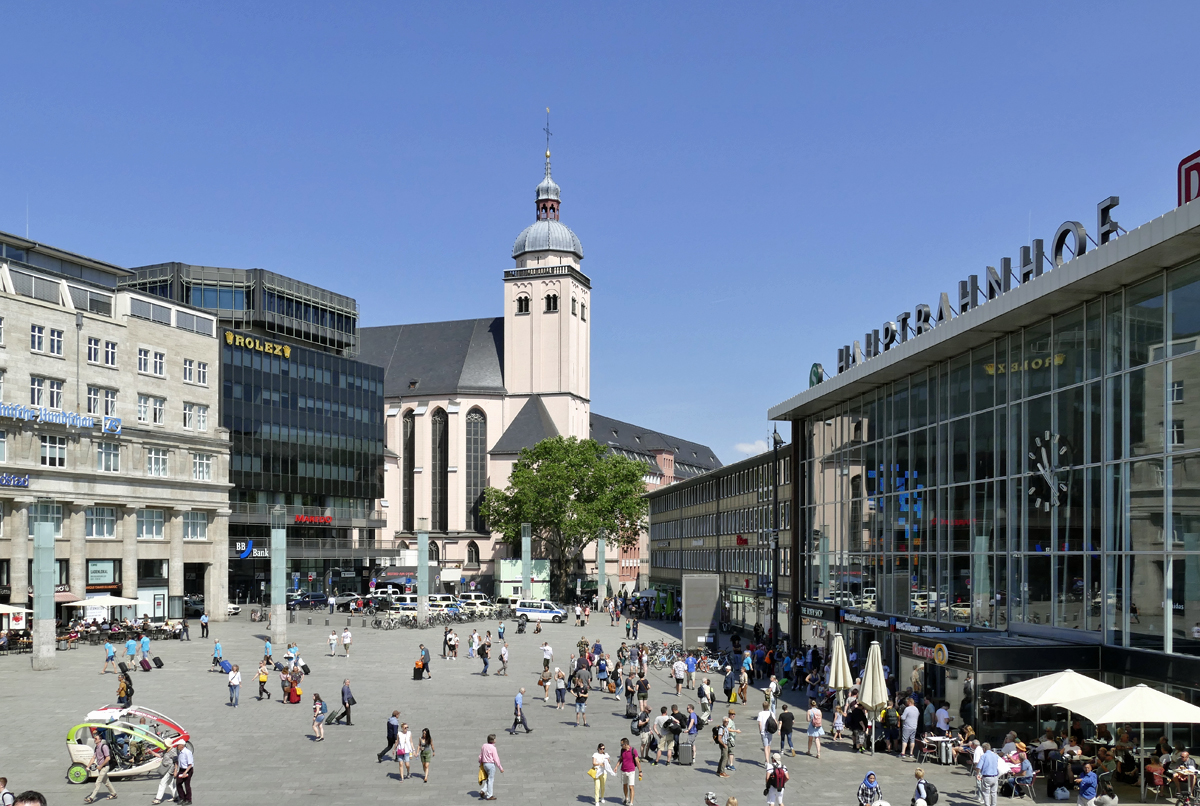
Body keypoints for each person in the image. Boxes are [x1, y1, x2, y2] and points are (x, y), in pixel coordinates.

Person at [83, 728, 116, 804]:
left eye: (96, 738)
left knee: (98, 782)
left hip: (104, 767)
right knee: (106, 782)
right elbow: (93, 757)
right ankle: (114, 793)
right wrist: (88, 766)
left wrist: (101, 766)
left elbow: (108, 758)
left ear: (100, 740)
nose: (94, 740)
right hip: (100, 767)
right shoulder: (96, 748)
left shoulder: (104, 747)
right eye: (94, 738)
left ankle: (91, 798)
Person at [479, 734, 503, 801]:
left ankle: (483, 791)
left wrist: (480, 762)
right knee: (491, 780)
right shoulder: (493, 748)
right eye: (495, 739)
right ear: (493, 741)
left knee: (489, 779)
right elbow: (496, 758)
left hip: (485, 764)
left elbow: (480, 755)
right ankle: (489, 795)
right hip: (491, 765)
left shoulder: (484, 745)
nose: (496, 740)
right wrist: (500, 768)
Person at [619, 736, 642, 806]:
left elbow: (637, 762)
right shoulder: (622, 750)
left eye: (621, 745)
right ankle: (626, 798)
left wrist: (640, 771)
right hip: (623, 770)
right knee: (624, 785)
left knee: (631, 787)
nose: (621, 746)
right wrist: (616, 766)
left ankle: (631, 803)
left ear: (625, 744)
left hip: (631, 771)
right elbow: (621, 759)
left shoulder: (633, 750)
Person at [976, 741, 1001, 806]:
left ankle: (987, 805)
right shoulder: (995, 756)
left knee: (986, 793)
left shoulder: (984, 756)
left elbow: (979, 766)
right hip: (995, 776)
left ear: (984, 749)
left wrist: (977, 774)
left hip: (987, 776)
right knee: (994, 793)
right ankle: (993, 805)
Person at [757, 701, 776, 766]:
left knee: (765, 746)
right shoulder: (771, 713)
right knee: (769, 746)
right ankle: (767, 760)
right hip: (770, 731)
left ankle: (767, 762)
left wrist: (760, 731)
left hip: (764, 732)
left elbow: (759, 723)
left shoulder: (760, 713)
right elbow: (775, 722)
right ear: (768, 706)